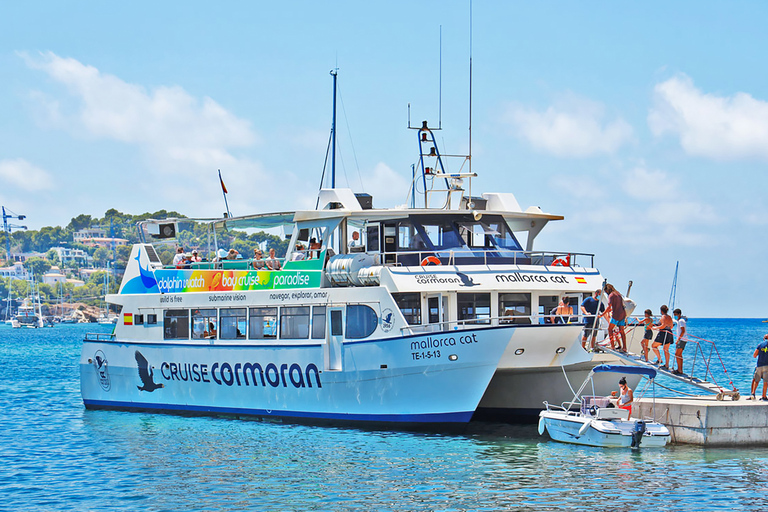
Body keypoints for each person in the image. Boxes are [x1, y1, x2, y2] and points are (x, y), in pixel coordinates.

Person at [603, 283, 627, 351]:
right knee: (622, 331)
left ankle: (612, 346)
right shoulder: (618, 294)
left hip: (616, 315)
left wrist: (602, 314)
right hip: (622, 314)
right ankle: (624, 347)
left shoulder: (611, 295)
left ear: (607, 290)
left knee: (610, 329)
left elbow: (609, 306)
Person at [651, 305, 674, 369]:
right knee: (666, 349)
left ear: (661, 311)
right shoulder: (669, 317)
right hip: (669, 333)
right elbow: (671, 326)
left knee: (654, 346)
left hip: (663, 333)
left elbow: (663, 325)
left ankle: (659, 359)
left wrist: (655, 328)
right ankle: (667, 365)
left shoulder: (663, 316)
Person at [747, 334, 768, 401]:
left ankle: (753, 394)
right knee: (765, 382)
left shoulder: (760, 345)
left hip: (759, 365)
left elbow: (754, 355)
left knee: (756, 380)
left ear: (764, 338)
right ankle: (764, 396)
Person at [672, 308, 687, 375]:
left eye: (676, 315)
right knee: (679, 355)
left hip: (682, 339)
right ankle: (680, 369)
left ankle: (679, 369)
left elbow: (683, 330)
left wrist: (678, 339)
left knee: (677, 354)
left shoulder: (681, 321)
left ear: (679, 314)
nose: (675, 316)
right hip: (683, 339)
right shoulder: (680, 321)